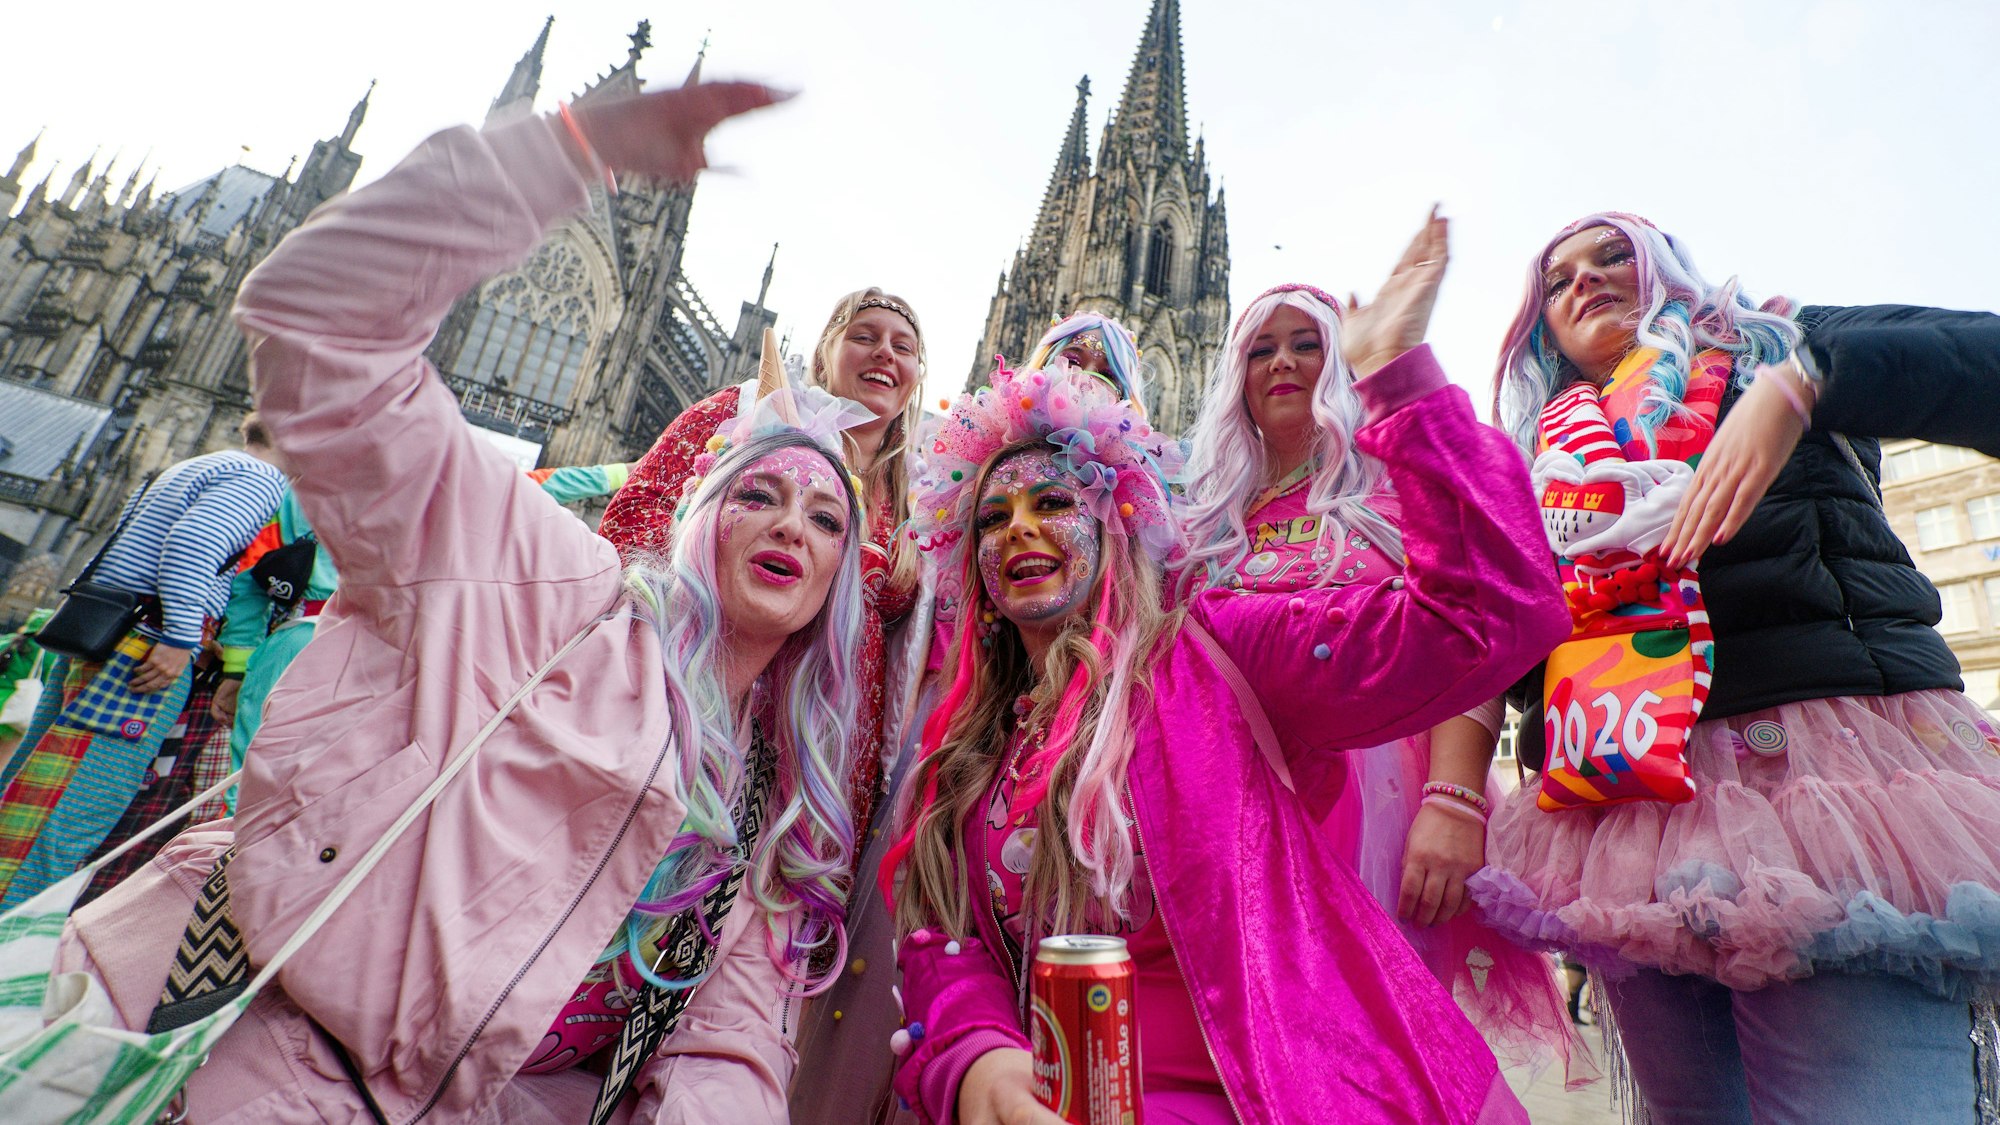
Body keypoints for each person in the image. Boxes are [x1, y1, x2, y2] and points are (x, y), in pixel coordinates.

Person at [54, 81, 873, 1123]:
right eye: (755, 491)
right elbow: (319, 327)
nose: (791, 525)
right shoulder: (554, 594)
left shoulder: (777, 793)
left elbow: (729, 1047)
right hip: (247, 1062)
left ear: (841, 586)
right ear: (695, 516)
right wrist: (552, 154)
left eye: (826, 518)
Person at [883, 214, 1573, 1124]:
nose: (1019, 530)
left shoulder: (1208, 652)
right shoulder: (968, 742)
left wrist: (1402, 382)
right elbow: (941, 934)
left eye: (1055, 500)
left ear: (1119, 520)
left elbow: (1492, 609)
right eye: (990, 517)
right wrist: (978, 1063)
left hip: (1258, 1086)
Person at [1477, 212, 2000, 1125]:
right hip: (1630, 808)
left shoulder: (1774, 341)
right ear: (1539, 328)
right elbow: (1496, 645)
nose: (1586, 281)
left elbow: (1983, 361)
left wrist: (1805, 384)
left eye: (1614, 256)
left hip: (1829, 791)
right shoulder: (1542, 462)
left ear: (1668, 271)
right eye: (1557, 280)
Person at [1177, 279, 1585, 1078]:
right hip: (1230, 803)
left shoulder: (1394, 480)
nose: (1283, 362)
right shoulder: (1205, 519)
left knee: (1371, 1041)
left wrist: (1454, 796)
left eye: (1306, 343)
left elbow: (1464, 638)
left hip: (1380, 807)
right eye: (1260, 348)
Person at [209, 460, 637, 813]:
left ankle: (223, 869)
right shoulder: (434, 477)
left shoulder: (301, 491)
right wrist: (626, 471)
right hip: (385, 648)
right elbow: (540, 486)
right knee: (343, 779)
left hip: (297, 639)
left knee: (250, 772)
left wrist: (235, 671)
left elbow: (251, 583)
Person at [0, 429, 284, 907]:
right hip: (146, 647)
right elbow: (192, 547)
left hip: (105, 634)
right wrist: (180, 636)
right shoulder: (260, 477)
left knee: (31, 791)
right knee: (75, 812)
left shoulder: (196, 465)